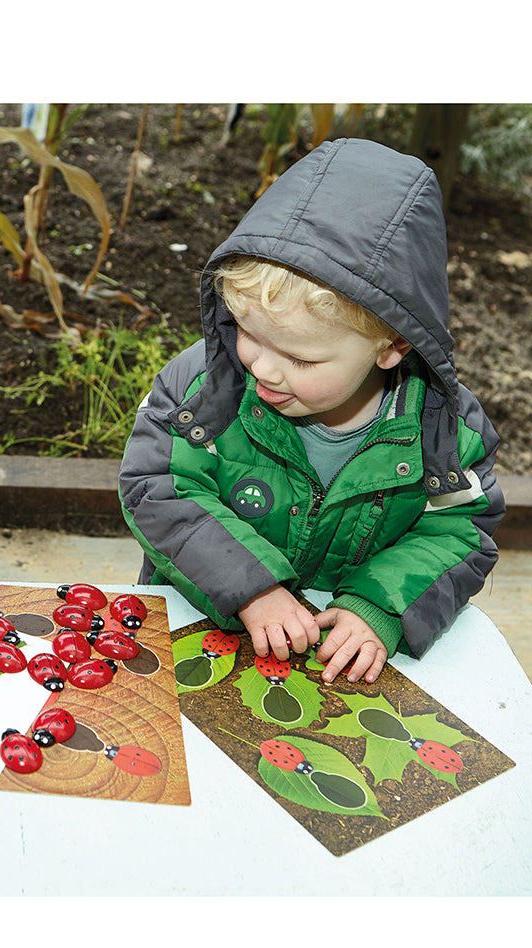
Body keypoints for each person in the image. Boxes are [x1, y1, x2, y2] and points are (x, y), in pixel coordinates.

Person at [120, 138, 505, 684]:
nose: (264, 370)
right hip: (193, 615)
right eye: (248, 332)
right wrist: (252, 586)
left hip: (335, 660)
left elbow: (459, 532)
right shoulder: (202, 390)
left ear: (392, 346)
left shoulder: (446, 437)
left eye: (300, 358)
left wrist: (379, 608)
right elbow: (157, 484)